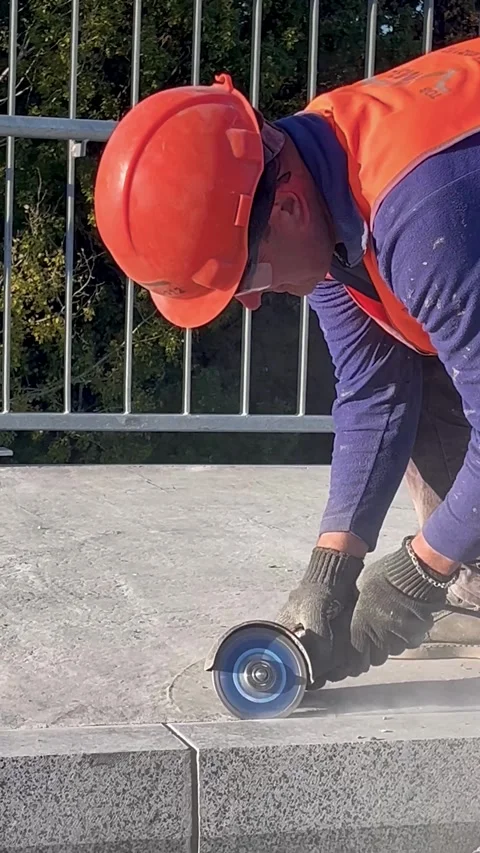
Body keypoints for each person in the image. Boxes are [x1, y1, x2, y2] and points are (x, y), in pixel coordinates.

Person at [95, 37, 480, 687]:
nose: (248, 301)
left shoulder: (420, 217)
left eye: (245, 275)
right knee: (420, 354)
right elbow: (374, 390)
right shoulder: (315, 175)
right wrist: (331, 570)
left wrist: (421, 571)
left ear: (290, 208)